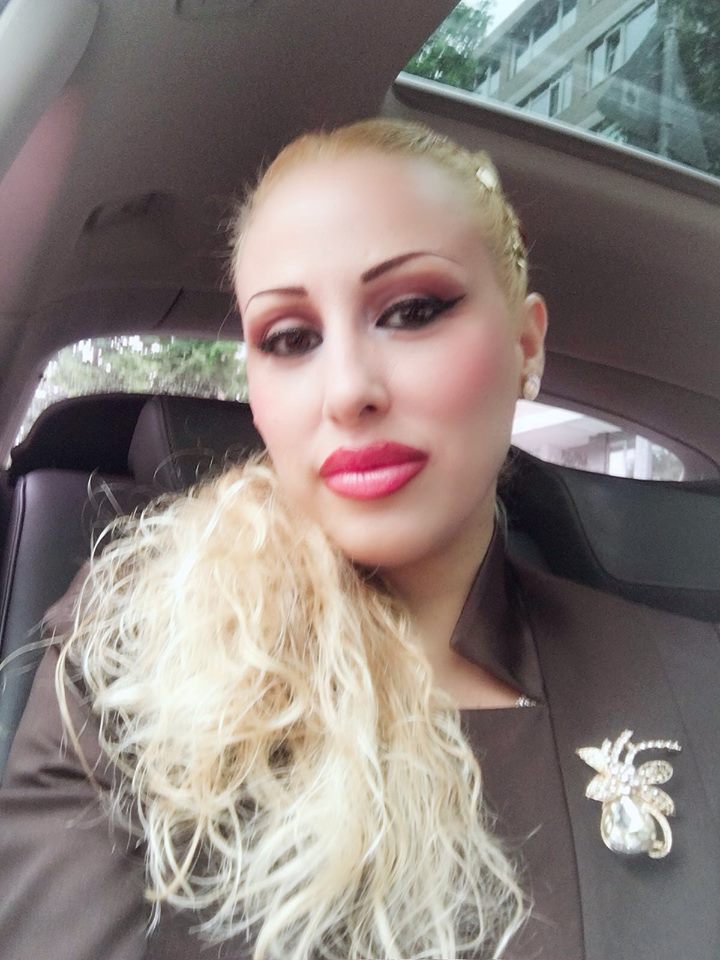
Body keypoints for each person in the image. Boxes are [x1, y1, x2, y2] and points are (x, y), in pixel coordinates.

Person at [0, 118, 718, 960]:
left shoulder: (690, 678)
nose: (347, 390)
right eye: (290, 338)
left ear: (526, 345)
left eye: (412, 311)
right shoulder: (127, 655)